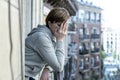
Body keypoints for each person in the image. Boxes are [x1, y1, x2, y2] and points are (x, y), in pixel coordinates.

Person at [25, 7, 70, 80]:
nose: (61, 29)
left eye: (64, 26)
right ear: (49, 23)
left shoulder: (49, 37)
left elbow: (55, 56)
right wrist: (60, 40)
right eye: (59, 25)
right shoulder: (41, 38)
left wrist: (47, 68)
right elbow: (59, 67)